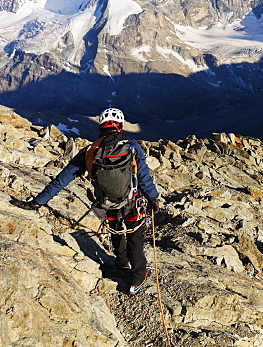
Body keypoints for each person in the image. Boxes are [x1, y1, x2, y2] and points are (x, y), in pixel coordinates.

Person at [14, 107, 161, 295]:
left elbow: (61, 180)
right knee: (136, 238)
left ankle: (122, 262)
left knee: (116, 229)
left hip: (108, 204)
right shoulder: (133, 147)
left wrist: (37, 202)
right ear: (120, 126)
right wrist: (154, 198)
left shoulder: (90, 151)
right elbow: (144, 178)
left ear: (101, 125)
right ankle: (137, 279)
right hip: (133, 203)